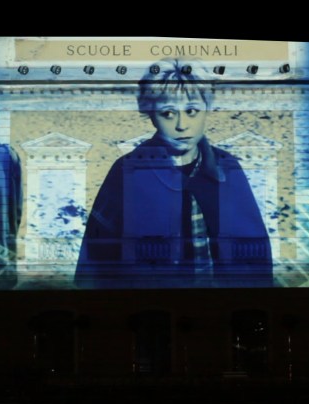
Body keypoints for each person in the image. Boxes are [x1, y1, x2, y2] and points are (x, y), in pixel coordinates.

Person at [75, 59, 272, 288]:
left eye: (192, 111)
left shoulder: (228, 169)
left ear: (206, 108)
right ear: (151, 113)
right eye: (168, 113)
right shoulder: (127, 172)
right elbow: (95, 261)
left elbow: (257, 257)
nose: (182, 125)